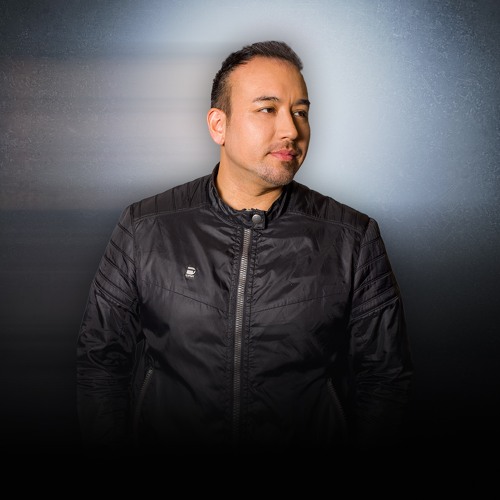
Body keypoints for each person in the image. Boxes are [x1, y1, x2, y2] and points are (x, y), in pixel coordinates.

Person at [77, 40, 413, 454]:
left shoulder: (352, 238)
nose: (291, 130)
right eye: (268, 109)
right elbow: (101, 360)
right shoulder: (145, 227)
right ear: (219, 125)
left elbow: (385, 378)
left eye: (301, 112)